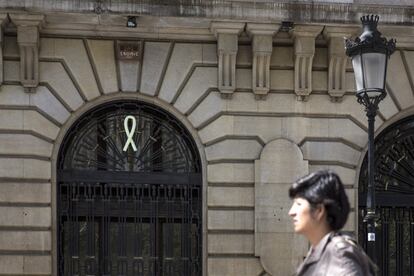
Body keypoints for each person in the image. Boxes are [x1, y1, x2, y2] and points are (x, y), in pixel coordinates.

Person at [288, 170, 377, 276]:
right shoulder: (321, 253)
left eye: (298, 204)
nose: (291, 212)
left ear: (319, 211)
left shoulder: (339, 254)